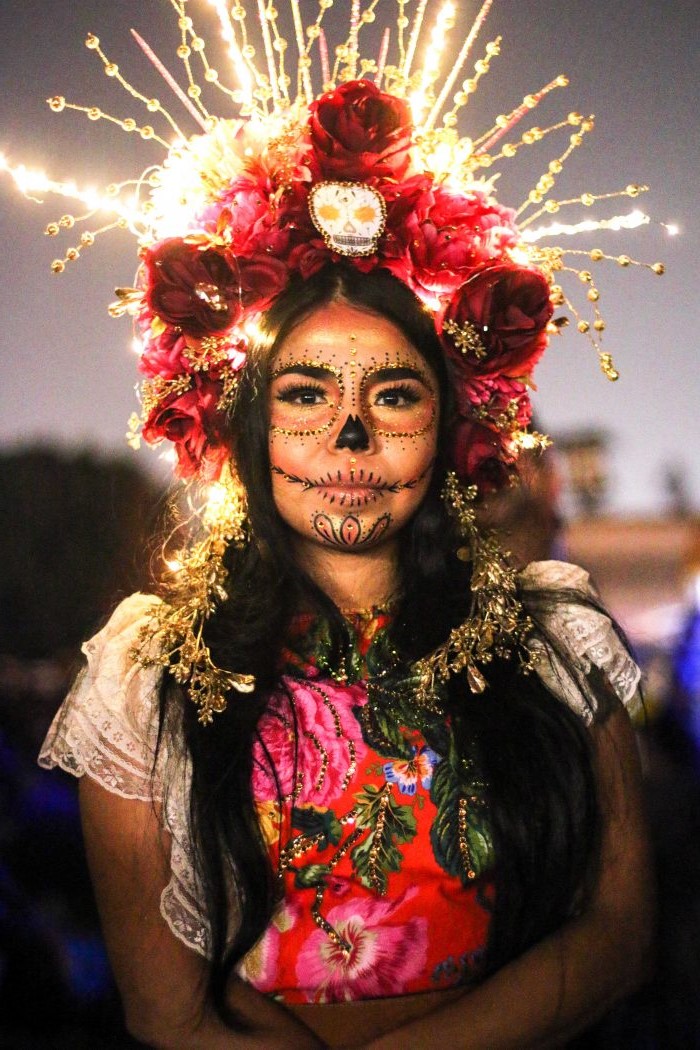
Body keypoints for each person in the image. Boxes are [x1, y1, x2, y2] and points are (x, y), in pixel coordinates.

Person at [35, 4, 656, 1047]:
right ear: (241, 424)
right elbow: (166, 1016)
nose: (352, 436)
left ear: (449, 427)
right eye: (305, 395)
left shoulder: (551, 643)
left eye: (396, 397)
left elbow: (617, 930)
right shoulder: (145, 680)